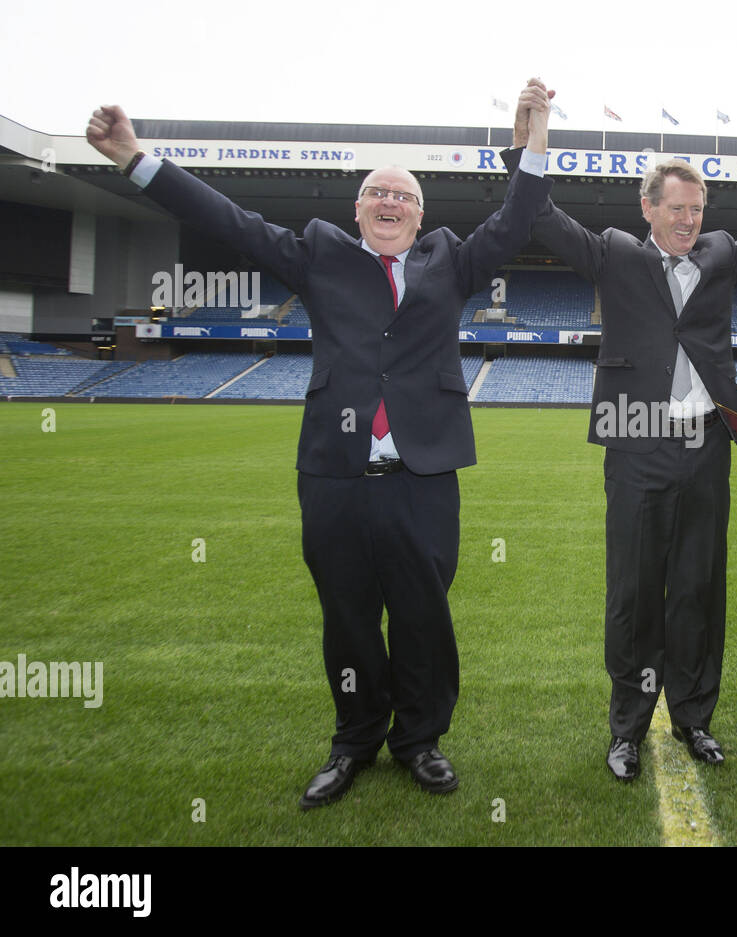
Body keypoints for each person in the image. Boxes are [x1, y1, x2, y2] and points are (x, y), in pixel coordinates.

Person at [86, 83, 555, 809]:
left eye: (403, 195)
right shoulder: (318, 255)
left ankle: (420, 739)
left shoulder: (453, 262)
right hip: (334, 475)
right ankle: (354, 738)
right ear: (358, 210)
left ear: (421, 215)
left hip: (422, 475)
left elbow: (520, 213)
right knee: (346, 613)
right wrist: (134, 159)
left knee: (425, 613)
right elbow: (228, 219)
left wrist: (535, 135)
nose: (390, 202)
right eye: (377, 193)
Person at [506, 82, 737, 781]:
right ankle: (627, 727)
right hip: (635, 442)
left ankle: (694, 717)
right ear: (648, 208)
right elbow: (539, 218)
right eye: (676, 208)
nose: (688, 220)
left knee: (697, 585)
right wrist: (533, 142)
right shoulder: (615, 253)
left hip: (705, 446)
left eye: (697, 209)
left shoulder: (720, 253)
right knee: (632, 589)